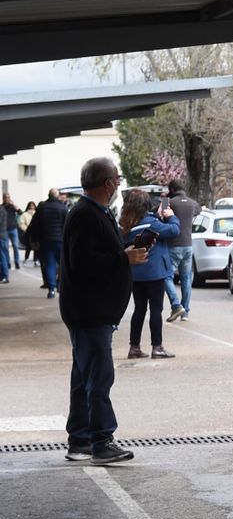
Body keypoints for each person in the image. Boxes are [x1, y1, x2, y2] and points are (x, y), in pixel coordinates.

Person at [60, 158, 143, 464]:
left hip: (91, 311)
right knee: (99, 378)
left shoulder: (92, 212)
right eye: (117, 180)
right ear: (107, 183)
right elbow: (83, 263)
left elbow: (96, 254)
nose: (118, 185)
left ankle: (80, 440)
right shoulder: (86, 214)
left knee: (84, 378)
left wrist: (124, 252)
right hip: (90, 311)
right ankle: (101, 441)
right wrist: (124, 259)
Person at [119, 189, 180, 359]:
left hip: (135, 274)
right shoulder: (151, 223)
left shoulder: (126, 225)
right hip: (154, 273)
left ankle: (134, 347)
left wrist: (157, 215)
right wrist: (171, 216)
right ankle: (157, 347)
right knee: (156, 310)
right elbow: (174, 230)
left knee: (139, 310)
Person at [162, 180, 201, 322]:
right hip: (188, 245)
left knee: (166, 276)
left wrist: (166, 198)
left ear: (172, 189)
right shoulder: (192, 203)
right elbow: (199, 210)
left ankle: (176, 305)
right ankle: (185, 312)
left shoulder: (168, 202)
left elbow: (158, 213)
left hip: (173, 245)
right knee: (186, 279)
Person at [28, 187, 70, 297]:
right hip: (60, 240)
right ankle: (60, 285)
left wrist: (34, 239)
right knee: (62, 264)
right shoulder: (63, 208)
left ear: (48, 195)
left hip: (46, 241)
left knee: (49, 264)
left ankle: (51, 289)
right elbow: (67, 226)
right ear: (57, 196)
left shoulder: (42, 207)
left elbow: (35, 224)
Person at [2, 193, 20, 270]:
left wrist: (15, 205)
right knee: (5, 247)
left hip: (13, 229)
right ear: (3, 198)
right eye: (6, 197)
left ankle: (17, 262)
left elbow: (20, 212)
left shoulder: (12, 206)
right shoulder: (1, 207)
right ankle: (7, 263)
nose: (7, 199)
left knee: (15, 246)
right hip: (4, 230)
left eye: (8, 197)